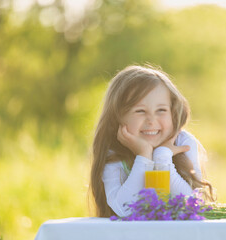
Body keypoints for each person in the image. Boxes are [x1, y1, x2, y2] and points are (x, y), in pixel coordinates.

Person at [89, 65, 214, 217]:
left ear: (173, 112)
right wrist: (144, 156)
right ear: (117, 117)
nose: (151, 121)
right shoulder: (114, 153)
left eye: (161, 110)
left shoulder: (183, 142)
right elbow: (124, 209)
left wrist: (162, 157)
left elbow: (191, 204)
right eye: (140, 111)